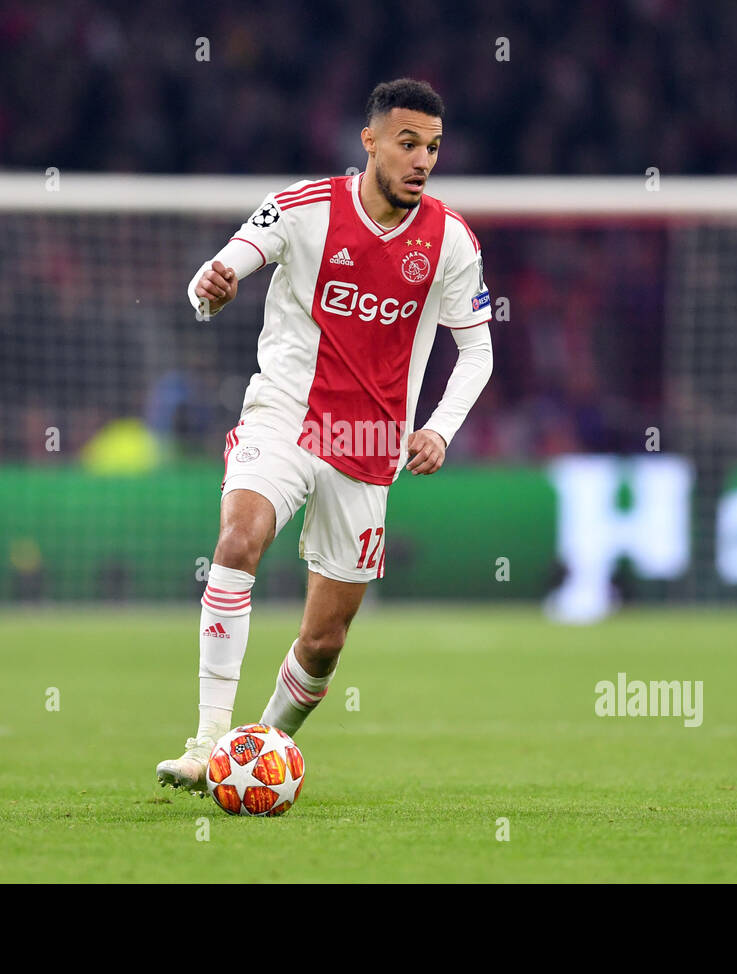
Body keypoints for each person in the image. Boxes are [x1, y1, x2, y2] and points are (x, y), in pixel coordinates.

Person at [157, 78, 494, 792]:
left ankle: (260, 754)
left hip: (371, 449)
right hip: (283, 416)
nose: (421, 160)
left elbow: (478, 350)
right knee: (238, 539)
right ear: (369, 141)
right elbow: (218, 270)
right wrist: (211, 287)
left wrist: (437, 428)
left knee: (324, 641)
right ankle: (208, 740)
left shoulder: (451, 242)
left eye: (432, 147)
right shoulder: (303, 208)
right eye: (407, 143)